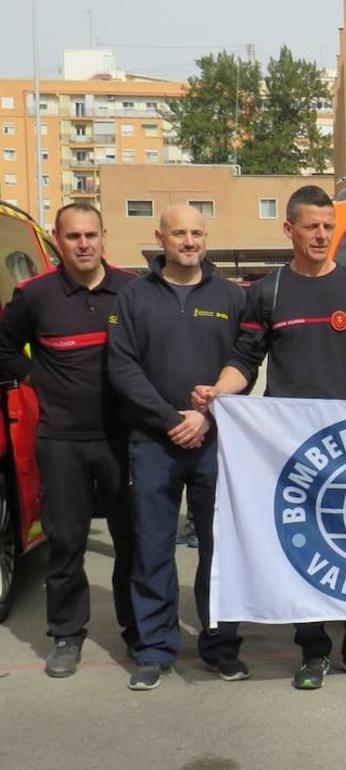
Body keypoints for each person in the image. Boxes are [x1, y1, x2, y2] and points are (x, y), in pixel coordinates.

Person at [191, 185, 346, 690]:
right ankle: (313, 648)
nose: (322, 234)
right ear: (289, 230)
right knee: (308, 550)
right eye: (311, 225)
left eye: (328, 225)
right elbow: (245, 359)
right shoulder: (269, 292)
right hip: (295, 449)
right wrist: (220, 390)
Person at [108, 204, 249, 690]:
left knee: (221, 549)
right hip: (153, 441)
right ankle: (155, 648)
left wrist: (206, 414)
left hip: (217, 441)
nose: (189, 241)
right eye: (179, 233)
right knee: (152, 548)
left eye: (197, 232)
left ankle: (221, 646)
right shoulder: (133, 297)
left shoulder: (233, 296)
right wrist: (171, 420)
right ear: (160, 238)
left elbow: (244, 361)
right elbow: (123, 369)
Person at [0, 203, 137, 678]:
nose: (83, 244)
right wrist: (35, 378)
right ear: (56, 240)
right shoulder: (35, 295)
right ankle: (65, 634)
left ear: (104, 236)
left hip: (123, 437)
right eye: (73, 236)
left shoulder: (134, 290)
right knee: (65, 542)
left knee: (132, 540)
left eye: (91, 235)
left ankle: (137, 628)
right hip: (60, 439)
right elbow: (3, 345)